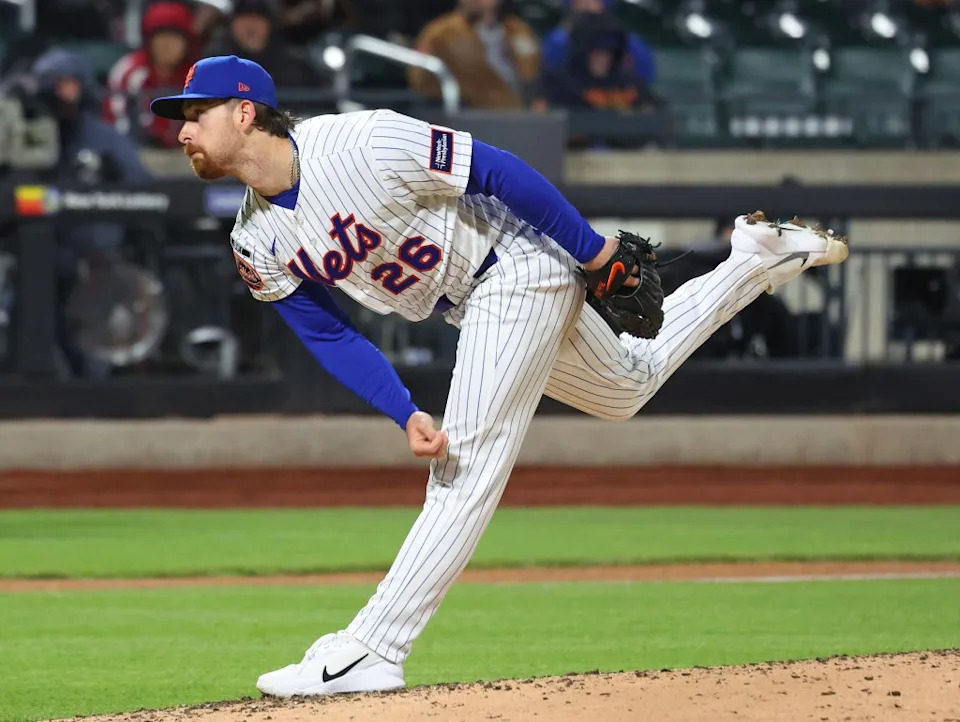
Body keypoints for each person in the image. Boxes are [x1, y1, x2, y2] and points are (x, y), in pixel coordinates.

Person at [150, 55, 849, 698]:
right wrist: (401, 410)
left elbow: (496, 168)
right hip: (471, 301)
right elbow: (327, 331)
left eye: (194, 112)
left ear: (245, 111)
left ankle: (372, 648)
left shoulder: (358, 142)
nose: (182, 130)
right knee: (627, 386)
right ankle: (756, 258)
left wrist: (594, 249)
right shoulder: (254, 236)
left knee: (465, 465)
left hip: (516, 264)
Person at [408, 0, 540, 109]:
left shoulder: (517, 29)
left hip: (519, 112)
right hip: (470, 115)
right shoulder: (441, 33)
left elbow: (534, 71)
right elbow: (419, 79)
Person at [105, 1, 200, 148]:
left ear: (187, 42)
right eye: (161, 36)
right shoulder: (128, 71)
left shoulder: (199, 76)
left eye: (175, 37)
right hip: (136, 156)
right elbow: (117, 129)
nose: (167, 44)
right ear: (149, 40)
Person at [538, 11, 658, 112]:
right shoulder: (558, 83)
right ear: (582, 53)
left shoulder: (630, 84)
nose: (603, 58)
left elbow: (657, 112)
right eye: (596, 52)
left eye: (609, 52)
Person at [204, 0, 327, 88]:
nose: (250, 25)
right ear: (231, 25)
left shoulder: (298, 66)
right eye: (243, 19)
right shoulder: (215, 63)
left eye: (257, 18)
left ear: (270, 25)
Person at [542, 0, 656, 86]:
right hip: (573, 102)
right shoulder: (558, 40)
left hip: (616, 100)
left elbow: (645, 81)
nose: (587, 5)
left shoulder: (629, 42)